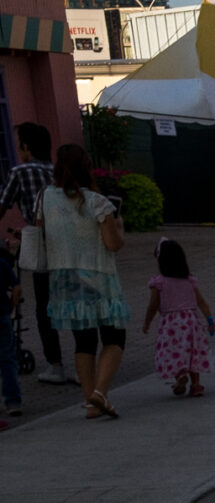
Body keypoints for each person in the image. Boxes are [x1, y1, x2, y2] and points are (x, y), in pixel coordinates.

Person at [38, 144, 126, 420]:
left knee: (83, 341)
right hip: (98, 277)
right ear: (86, 167)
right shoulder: (98, 202)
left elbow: (42, 232)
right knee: (114, 336)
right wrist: (120, 229)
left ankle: (90, 403)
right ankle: (100, 392)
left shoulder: (45, 198)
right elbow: (113, 244)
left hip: (64, 279)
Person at [0, 122, 67, 385]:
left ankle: (55, 365)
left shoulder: (20, 172)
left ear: (26, 147)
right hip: (68, 243)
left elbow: (3, 206)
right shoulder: (57, 171)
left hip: (41, 246)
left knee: (44, 306)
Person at [140, 238, 215, 399]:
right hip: (191, 322)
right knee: (192, 353)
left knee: (174, 352)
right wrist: (210, 320)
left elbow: (153, 306)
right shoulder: (189, 280)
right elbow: (201, 302)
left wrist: (147, 322)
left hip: (171, 325)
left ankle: (180, 376)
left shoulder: (159, 282)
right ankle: (196, 385)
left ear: (161, 262)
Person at [0, 253, 19, 418]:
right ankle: (13, 402)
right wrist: (12, 305)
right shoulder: (2, 263)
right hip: (2, 314)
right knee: (8, 359)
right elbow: (17, 287)